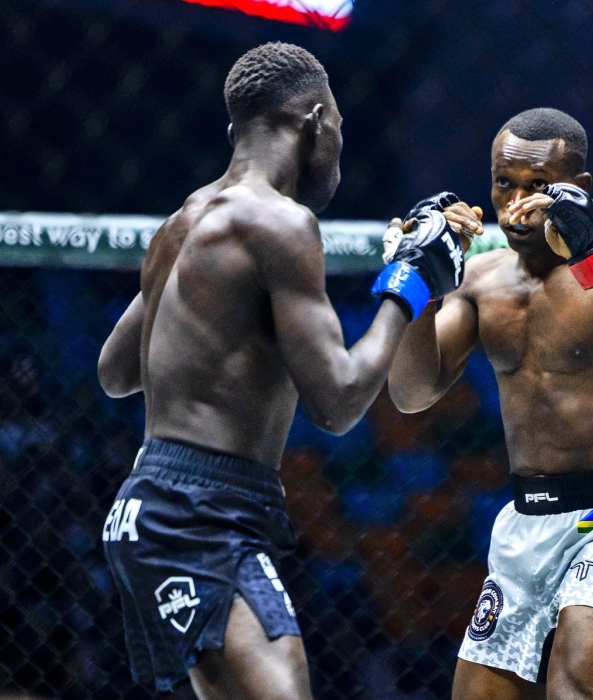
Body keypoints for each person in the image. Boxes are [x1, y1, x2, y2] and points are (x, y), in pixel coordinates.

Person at [95, 42, 476, 699]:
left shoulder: (183, 220)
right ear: (316, 120)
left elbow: (115, 370)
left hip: (157, 503)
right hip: (200, 513)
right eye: (340, 130)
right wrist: (409, 284)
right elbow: (340, 401)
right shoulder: (281, 223)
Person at [388, 108, 593, 700]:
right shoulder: (482, 280)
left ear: (576, 190)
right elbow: (410, 394)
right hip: (523, 523)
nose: (518, 203)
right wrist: (420, 284)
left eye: (537, 187)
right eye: (505, 183)